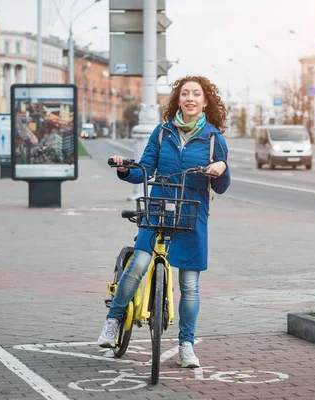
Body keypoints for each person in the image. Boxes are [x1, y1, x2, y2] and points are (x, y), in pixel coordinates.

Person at [98, 76, 231, 368]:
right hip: (158, 207)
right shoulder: (162, 132)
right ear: (178, 100)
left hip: (192, 213)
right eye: (185, 93)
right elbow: (145, 169)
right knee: (138, 266)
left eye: (197, 94)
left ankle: (186, 345)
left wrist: (221, 168)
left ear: (205, 101)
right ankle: (113, 320)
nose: (191, 98)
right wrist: (124, 169)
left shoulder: (213, 139)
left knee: (190, 284)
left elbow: (221, 186)